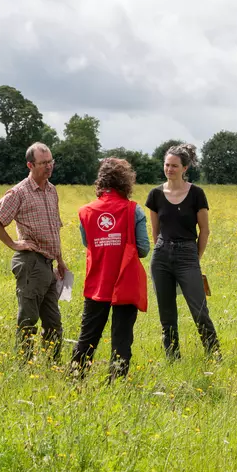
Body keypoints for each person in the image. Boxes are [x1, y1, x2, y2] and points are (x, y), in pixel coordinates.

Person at [0, 142, 68, 365]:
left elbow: (54, 228)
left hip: (48, 264)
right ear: (30, 165)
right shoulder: (19, 192)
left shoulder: (52, 190)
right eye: (43, 163)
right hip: (31, 262)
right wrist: (13, 244)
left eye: (51, 162)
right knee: (28, 318)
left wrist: (60, 260)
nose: (49, 167)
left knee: (53, 321)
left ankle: (53, 366)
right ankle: (24, 365)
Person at [71, 158, 150, 381]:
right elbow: (143, 249)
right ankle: (116, 386)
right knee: (122, 339)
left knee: (88, 337)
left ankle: (76, 380)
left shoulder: (85, 211)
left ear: (101, 181)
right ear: (126, 182)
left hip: (97, 282)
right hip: (125, 283)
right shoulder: (134, 210)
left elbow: (88, 243)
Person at [145, 143, 220, 360]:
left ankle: (214, 355)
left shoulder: (196, 193)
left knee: (199, 310)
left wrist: (195, 258)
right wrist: (161, 250)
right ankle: (172, 358)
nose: (169, 169)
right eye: (167, 165)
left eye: (174, 166)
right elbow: (155, 231)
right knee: (166, 314)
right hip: (161, 256)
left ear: (185, 168)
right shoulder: (155, 195)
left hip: (188, 253)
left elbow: (204, 230)